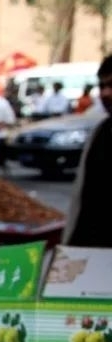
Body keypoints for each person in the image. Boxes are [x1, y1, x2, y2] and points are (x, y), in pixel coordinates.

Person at [63, 54, 112, 247]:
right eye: (102, 86)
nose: (106, 93)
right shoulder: (101, 132)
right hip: (93, 251)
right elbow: (81, 198)